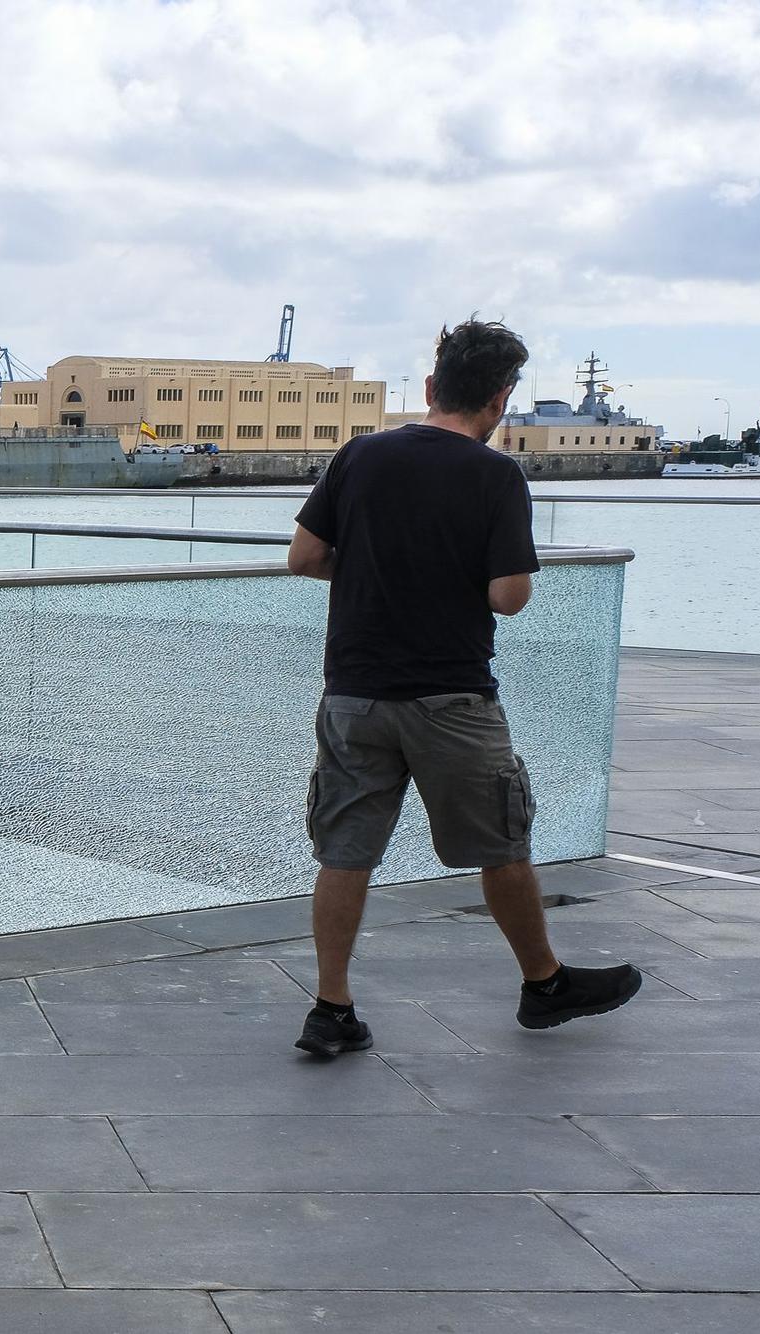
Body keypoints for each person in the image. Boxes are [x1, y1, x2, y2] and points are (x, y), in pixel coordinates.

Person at [286, 319, 641, 1058]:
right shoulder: (496, 476)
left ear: (429, 387)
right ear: (502, 398)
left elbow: (305, 556)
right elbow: (508, 596)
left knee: (345, 853)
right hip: (450, 697)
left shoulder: (360, 455)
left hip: (353, 692)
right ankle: (543, 987)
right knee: (502, 845)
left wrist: (375, 577)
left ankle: (330, 1007)